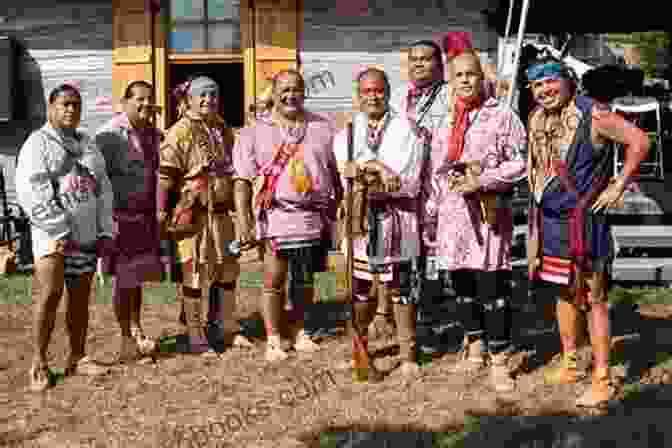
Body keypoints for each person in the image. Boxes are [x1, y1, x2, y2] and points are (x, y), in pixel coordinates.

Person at [526, 58, 649, 406]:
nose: (545, 90)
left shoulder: (593, 114)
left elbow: (639, 142)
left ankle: (603, 378)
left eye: (551, 82)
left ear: (568, 82)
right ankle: (571, 362)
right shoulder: (536, 118)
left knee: (594, 299)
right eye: (537, 85)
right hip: (550, 220)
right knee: (563, 292)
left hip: (584, 221)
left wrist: (620, 184)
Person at [424, 51, 527, 391]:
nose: (466, 80)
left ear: (482, 77)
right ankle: (475, 346)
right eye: (459, 75)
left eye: (471, 74)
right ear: (450, 81)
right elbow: (434, 172)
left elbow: (520, 162)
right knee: (462, 286)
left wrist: (482, 180)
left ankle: (499, 359)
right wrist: (432, 212)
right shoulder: (445, 119)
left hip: (486, 212)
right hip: (453, 215)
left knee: (492, 288)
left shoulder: (502, 115)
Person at [233, 69, 343, 362]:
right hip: (275, 217)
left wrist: (339, 212)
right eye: (284, 89)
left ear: (304, 92)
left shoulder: (323, 127)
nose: (290, 95)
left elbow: (337, 172)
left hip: (312, 217)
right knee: (274, 279)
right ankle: (273, 338)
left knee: (305, 280)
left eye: (296, 89)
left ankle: (300, 331)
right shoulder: (255, 131)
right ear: (274, 93)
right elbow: (242, 181)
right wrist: (243, 222)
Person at [16, 84, 115, 392]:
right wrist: (60, 230)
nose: (71, 110)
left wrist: (103, 230)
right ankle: (39, 362)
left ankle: (78, 356)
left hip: (85, 236)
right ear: (51, 107)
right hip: (53, 238)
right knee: (49, 296)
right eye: (64, 104)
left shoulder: (87, 143)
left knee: (80, 299)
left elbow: (103, 188)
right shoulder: (38, 143)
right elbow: (31, 191)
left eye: (75, 105)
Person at [335, 67, 430, 377]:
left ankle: (408, 356)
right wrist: (377, 169)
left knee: (402, 287)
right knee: (360, 288)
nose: (373, 96)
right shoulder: (347, 132)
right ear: (358, 96)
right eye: (366, 92)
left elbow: (410, 180)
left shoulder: (408, 129)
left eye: (378, 90)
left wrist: (369, 170)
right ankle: (360, 350)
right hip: (361, 218)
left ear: (388, 92)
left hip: (398, 215)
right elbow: (346, 174)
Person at [158, 74, 253, 355]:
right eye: (202, 95)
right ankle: (196, 334)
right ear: (188, 99)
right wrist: (161, 211)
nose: (208, 100)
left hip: (222, 216)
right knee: (195, 272)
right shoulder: (179, 131)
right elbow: (165, 176)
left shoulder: (223, 129)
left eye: (213, 95)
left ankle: (228, 326)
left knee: (227, 270)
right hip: (194, 216)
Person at [367, 39, 449, 339]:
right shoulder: (397, 97)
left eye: (425, 59)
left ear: (439, 63)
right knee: (395, 251)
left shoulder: (451, 95)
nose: (418, 64)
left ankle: (432, 313)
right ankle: (385, 311)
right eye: (413, 59)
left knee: (434, 250)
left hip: (438, 183)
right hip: (400, 185)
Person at [94, 80, 163, 362]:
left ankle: (136, 330)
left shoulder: (153, 134)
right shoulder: (109, 136)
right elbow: (97, 181)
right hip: (119, 220)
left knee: (137, 280)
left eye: (150, 99)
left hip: (143, 219)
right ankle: (125, 341)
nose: (146, 104)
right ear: (125, 102)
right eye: (140, 99)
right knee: (124, 281)